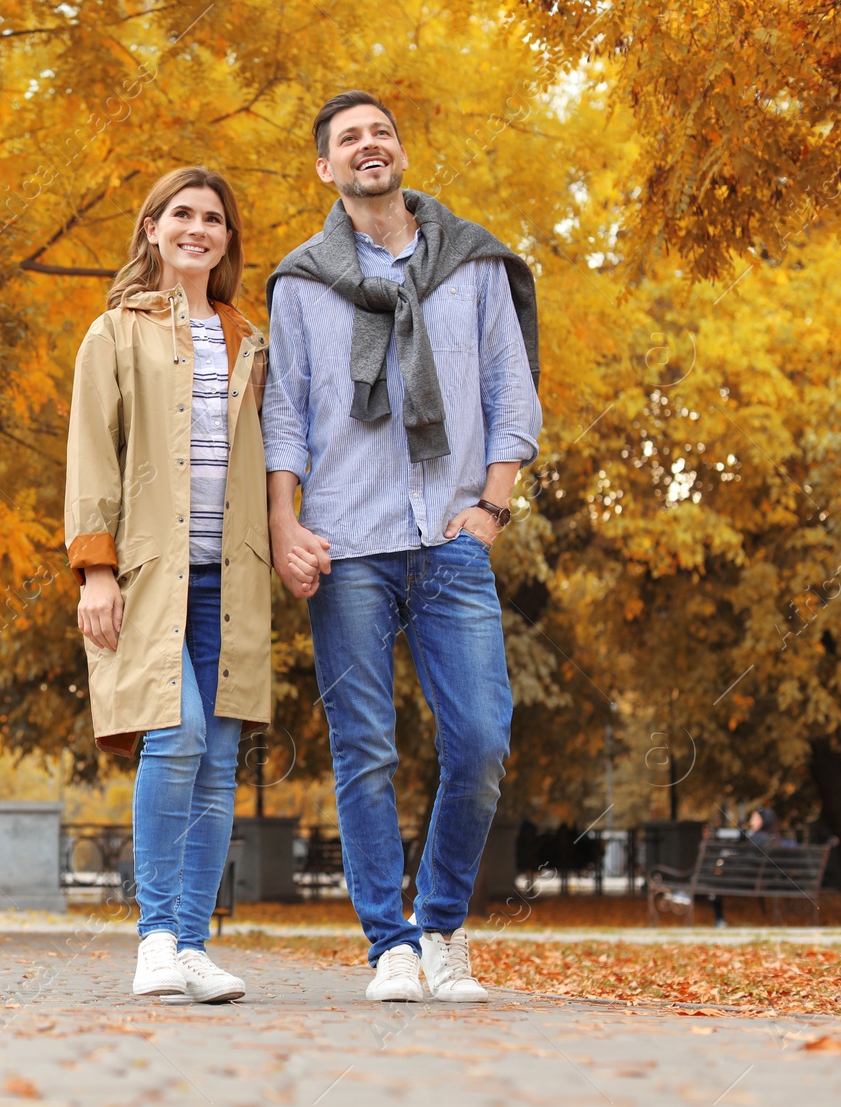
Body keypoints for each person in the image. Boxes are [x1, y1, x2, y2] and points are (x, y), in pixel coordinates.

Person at [262, 91, 543, 1002]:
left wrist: (492, 509)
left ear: (401, 150)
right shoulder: (302, 280)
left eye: (379, 132)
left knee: (480, 739)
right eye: (348, 138)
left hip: (452, 538)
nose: (368, 145)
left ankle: (443, 925)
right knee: (365, 749)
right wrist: (285, 522)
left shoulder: (473, 263)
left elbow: (512, 389)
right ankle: (391, 945)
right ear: (325, 167)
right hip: (347, 543)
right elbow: (286, 414)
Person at [65, 166, 273, 1004]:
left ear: (226, 240)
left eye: (213, 219)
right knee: (175, 735)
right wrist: (97, 568)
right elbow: (90, 455)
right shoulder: (113, 335)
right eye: (182, 214)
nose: (198, 228)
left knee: (219, 761)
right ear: (152, 228)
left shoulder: (249, 340)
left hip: (235, 575)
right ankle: (155, 935)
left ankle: (193, 943)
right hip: (151, 576)